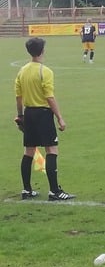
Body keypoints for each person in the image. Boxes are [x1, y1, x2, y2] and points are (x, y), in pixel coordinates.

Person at [14, 37, 74, 200]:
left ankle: (26, 190)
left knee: (28, 151)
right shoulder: (45, 71)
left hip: (29, 113)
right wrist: (60, 118)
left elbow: (18, 96)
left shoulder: (22, 71)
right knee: (52, 149)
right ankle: (54, 191)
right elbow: (50, 97)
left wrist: (20, 115)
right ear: (42, 51)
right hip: (43, 114)